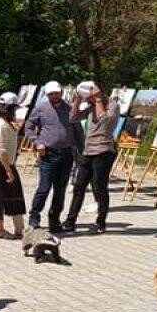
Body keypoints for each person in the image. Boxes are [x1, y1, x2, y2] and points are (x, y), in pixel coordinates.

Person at [63, 83, 118, 234]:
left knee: (99, 187)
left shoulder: (112, 105)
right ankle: (70, 221)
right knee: (79, 186)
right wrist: (78, 100)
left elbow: (104, 121)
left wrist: (99, 100)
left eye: (91, 96)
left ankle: (101, 222)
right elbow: (73, 118)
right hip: (88, 151)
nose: (90, 99)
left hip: (104, 151)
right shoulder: (90, 106)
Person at [24, 81, 77, 233]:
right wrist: (37, 141)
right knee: (44, 188)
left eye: (57, 93)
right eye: (51, 94)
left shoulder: (69, 108)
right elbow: (28, 127)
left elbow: (77, 129)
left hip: (66, 154)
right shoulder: (40, 108)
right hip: (48, 154)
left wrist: (80, 149)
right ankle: (34, 217)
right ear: (47, 95)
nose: (55, 96)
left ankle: (54, 220)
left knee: (60, 189)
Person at [0, 92, 26, 239]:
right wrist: (8, 170)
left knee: (15, 193)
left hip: (7, 162)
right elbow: (0, 149)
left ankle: (20, 228)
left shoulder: (6, 121)